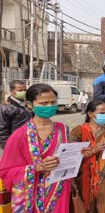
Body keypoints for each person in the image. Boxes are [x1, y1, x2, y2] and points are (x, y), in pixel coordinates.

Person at [0, 83, 73, 212]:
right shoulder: (19, 135)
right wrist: (36, 168)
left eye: (53, 102)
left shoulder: (63, 129)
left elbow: (67, 157)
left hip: (59, 191)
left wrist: (80, 153)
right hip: (30, 197)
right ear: (29, 105)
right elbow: (6, 171)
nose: (49, 106)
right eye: (43, 103)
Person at [70, 100, 105, 213]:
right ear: (90, 114)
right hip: (84, 176)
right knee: (87, 205)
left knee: (103, 204)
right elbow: (70, 156)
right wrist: (93, 150)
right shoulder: (78, 131)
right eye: (102, 113)